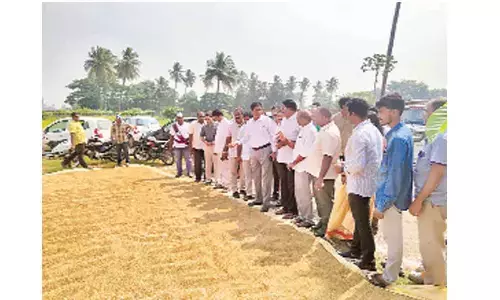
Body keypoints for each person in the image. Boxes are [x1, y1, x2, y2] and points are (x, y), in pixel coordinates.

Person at [369, 93, 414, 288]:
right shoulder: (397, 133)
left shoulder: (398, 138)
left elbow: (395, 175)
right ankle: (392, 269)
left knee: (393, 237)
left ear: (394, 112)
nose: (379, 114)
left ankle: (389, 276)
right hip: (391, 195)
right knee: (390, 236)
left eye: (382, 111)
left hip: (392, 198)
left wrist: (383, 203)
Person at [337, 98, 383, 271]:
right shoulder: (372, 130)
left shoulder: (360, 134)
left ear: (352, 113)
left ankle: (368, 259)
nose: (344, 113)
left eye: (346, 111)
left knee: (363, 223)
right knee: (360, 220)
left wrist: (343, 167)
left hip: (359, 182)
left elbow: (357, 165)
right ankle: (356, 250)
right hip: (367, 181)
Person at [408, 99, 447, 286]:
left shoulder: (442, 139)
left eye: (426, 111)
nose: (424, 115)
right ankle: (430, 275)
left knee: (432, 245)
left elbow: (437, 173)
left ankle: (436, 285)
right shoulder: (437, 137)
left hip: (433, 200)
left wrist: (419, 200)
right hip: (437, 198)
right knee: (432, 242)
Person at [307, 107, 341, 237]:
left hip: (325, 175)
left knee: (325, 201)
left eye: (315, 116)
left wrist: (320, 177)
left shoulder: (329, 132)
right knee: (320, 201)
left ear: (325, 117)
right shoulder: (325, 130)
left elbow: (327, 156)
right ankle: (322, 222)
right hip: (319, 173)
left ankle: (327, 227)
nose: (313, 119)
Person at [237, 102, 277, 212]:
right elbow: (246, 137)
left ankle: (266, 202)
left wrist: (274, 151)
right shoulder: (249, 123)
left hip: (265, 149)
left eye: (260, 109)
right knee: (256, 176)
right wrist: (237, 142)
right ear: (252, 111)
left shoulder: (267, 121)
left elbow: (273, 136)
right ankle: (258, 198)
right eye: (256, 110)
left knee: (266, 177)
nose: (259, 111)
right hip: (253, 151)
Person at [288, 110, 317, 228]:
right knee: (299, 192)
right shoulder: (304, 129)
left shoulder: (311, 130)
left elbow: (306, 152)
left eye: (298, 118)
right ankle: (301, 215)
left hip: (304, 166)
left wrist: (294, 162)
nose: (297, 120)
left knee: (305, 193)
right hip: (298, 166)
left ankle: (308, 218)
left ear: (303, 118)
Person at [274, 99, 300, 220]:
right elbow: (281, 136)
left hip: (293, 158)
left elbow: (299, 142)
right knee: (283, 183)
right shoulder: (284, 120)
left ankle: (293, 210)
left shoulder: (298, 120)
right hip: (282, 155)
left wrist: (286, 142)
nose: (281, 110)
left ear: (290, 108)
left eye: (283, 108)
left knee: (291, 185)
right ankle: (285, 206)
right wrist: (279, 143)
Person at [227, 108, 246, 198]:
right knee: (233, 171)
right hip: (233, 151)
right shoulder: (230, 125)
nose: (237, 116)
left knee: (243, 172)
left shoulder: (247, 124)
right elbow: (228, 137)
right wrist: (225, 149)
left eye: (239, 114)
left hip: (244, 152)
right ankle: (234, 190)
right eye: (235, 114)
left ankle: (242, 188)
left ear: (242, 114)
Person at [235, 112, 254, 201]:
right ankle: (249, 193)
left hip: (255, 154)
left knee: (258, 176)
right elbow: (239, 143)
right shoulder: (242, 128)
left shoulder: (256, 128)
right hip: (245, 155)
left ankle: (257, 194)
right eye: (245, 119)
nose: (247, 121)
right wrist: (238, 155)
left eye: (248, 119)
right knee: (247, 175)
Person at [212, 109, 231, 190]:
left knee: (226, 167)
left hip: (224, 149)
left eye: (215, 117)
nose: (214, 119)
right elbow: (218, 138)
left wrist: (225, 150)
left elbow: (227, 138)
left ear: (219, 116)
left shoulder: (227, 123)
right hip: (219, 149)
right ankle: (222, 182)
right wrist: (216, 150)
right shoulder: (219, 124)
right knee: (221, 167)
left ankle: (227, 184)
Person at [169, 112, 192, 178]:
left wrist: (190, 144)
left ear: (183, 118)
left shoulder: (188, 125)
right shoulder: (174, 126)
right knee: (178, 160)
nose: (179, 119)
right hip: (177, 145)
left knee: (188, 159)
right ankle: (179, 172)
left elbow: (190, 135)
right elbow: (172, 137)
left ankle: (189, 172)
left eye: (181, 118)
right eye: (178, 118)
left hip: (186, 145)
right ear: (176, 118)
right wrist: (170, 146)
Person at [200, 112, 217, 185]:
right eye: (206, 119)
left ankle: (217, 180)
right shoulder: (204, 127)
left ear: (212, 117)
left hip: (214, 146)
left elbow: (218, 136)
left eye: (208, 118)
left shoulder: (216, 126)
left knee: (216, 163)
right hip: (207, 146)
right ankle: (208, 179)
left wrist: (214, 142)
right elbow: (201, 136)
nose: (207, 120)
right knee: (208, 163)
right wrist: (205, 142)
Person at [271, 107, 283, 202]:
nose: (277, 118)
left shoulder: (284, 126)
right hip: (275, 154)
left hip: (282, 155)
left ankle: (282, 198)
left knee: (282, 177)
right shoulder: (275, 126)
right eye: (275, 116)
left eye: (279, 116)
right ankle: (275, 194)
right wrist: (273, 152)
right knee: (275, 176)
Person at [189, 111, 206, 182]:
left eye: (203, 116)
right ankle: (198, 178)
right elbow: (190, 135)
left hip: (206, 147)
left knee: (207, 164)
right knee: (197, 164)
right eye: (200, 116)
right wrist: (190, 147)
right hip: (196, 147)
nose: (201, 118)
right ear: (197, 117)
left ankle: (206, 178)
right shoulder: (193, 124)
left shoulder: (207, 123)